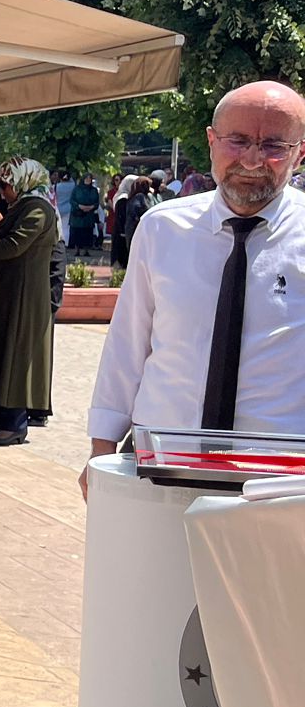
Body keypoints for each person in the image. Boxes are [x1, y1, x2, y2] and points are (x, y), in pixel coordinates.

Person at [85, 81, 305, 496]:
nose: (253, 160)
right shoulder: (162, 228)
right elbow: (127, 345)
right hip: (163, 463)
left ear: (300, 152)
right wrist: (101, 451)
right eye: (237, 141)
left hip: (279, 482)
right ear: (211, 141)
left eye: (274, 145)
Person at [0, 157, 59, 445]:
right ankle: (7, 421)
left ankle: (15, 425)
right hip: (10, 292)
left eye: (6, 185)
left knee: (17, 356)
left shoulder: (37, 208)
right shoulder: (22, 207)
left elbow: (14, 246)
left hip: (24, 296)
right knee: (5, 353)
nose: (3, 191)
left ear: (24, 181)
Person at [111, 175, 151, 270]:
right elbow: (121, 217)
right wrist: (123, 232)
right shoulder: (123, 198)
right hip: (122, 233)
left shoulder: (132, 196)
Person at [69, 172, 103, 255]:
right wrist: (79, 206)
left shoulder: (94, 190)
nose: (88, 180)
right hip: (78, 216)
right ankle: (77, 250)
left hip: (89, 216)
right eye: (86, 178)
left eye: (89, 179)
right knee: (77, 233)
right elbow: (72, 200)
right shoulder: (77, 189)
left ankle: (86, 250)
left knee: (87, 233)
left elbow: (96, 202)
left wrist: (91, 207)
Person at [53, 167, 76, 243]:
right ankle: (65, 242)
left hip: (58, 208)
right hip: (68, 209)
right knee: (66, 227)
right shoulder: (73, 186)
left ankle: (57, 241)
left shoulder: (55, 187)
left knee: (57, 226)